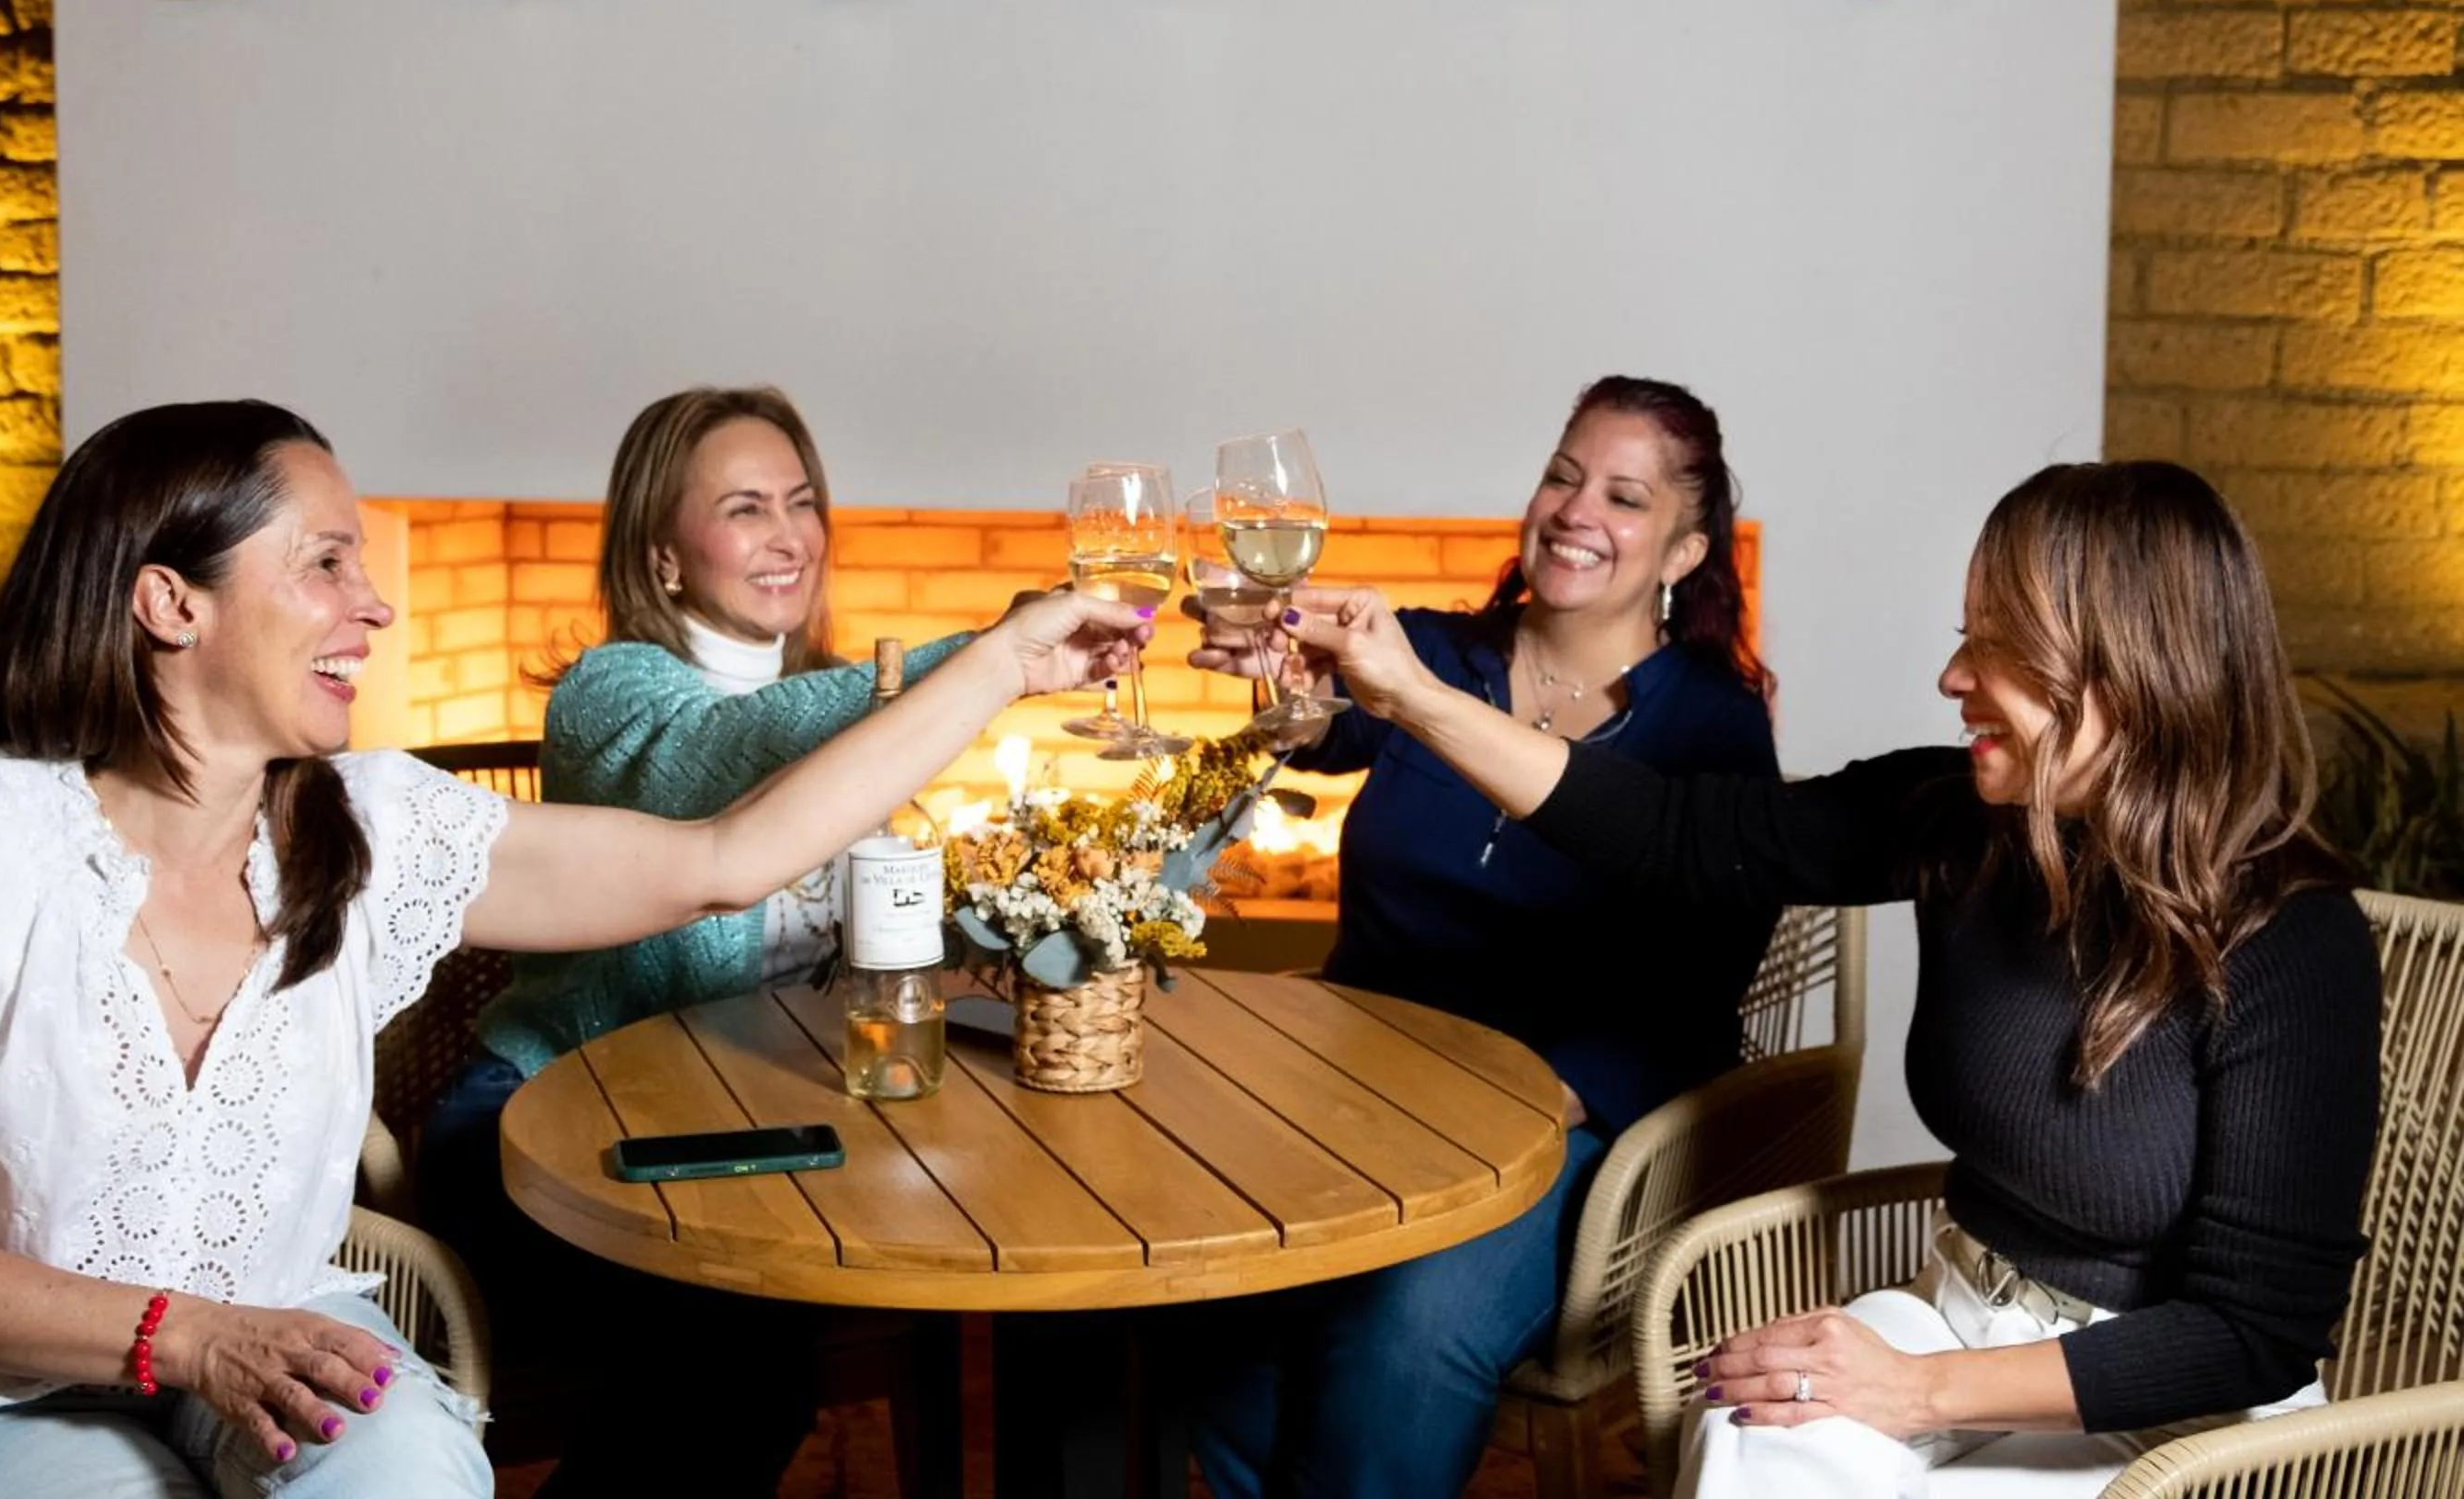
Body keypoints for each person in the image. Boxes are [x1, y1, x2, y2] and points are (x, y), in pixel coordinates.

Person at [0, 399, 1144, 1499]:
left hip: (274, 1349)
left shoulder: (364, 830)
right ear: (171, 602)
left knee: (410, 1465)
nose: (378, 602)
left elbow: (723, 861)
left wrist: (1007, 663)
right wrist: (189, 1337)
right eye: (326, 562)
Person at [1277, 458, 2381, 1498]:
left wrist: (1914, 1391)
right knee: (1759, 1434)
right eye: (1967, 635)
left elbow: (2252, 1332)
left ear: (2128, 672)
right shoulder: (1964, 824)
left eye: (1997, 646)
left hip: (2165, 1411)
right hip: (1960, 1314)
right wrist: (1410, 697)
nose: (1952, 676)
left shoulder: (2291, 937)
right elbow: (1671, 830)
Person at [1186, 376, 1781, 1497]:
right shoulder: (1436, 658)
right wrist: (1280, 676)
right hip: (1358, 1089)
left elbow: (1697, 985)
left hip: (1556, 1125)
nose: (1574, 510)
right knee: (1219, 1285)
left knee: (1406, 1321)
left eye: (1623, 496)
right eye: (1563, 474)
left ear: (1684, 550)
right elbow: (1318, 726)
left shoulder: (1713, 727)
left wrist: (1532, 1105)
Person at [413, 384, 1008, 1493]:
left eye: (801, 500)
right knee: (743, 1357)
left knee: (982, 1239)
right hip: (548, 1136)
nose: (788, 536)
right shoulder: (615, 692)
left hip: (750, 1129)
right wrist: (995, 655)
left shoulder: (827, 705)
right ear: (664, 556)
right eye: (744, 507)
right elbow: (725, 755)